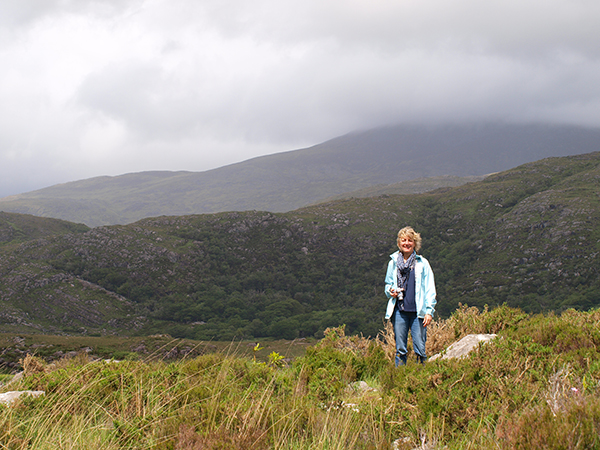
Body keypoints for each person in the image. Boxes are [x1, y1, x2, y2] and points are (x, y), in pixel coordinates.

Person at [384, 226, 437, 366]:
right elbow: (387, 285)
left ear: (415, 243)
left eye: (410, 240)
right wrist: (390, 291)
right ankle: (400, 380)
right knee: (400, 349)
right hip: (399, 311)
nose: (406, 243)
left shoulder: (422, 263)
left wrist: (429, 311)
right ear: (399, 243)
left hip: (418, 313)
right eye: (403, 240)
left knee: (420, 347)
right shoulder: (393, 263)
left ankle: (422, 378)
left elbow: (430, 288)